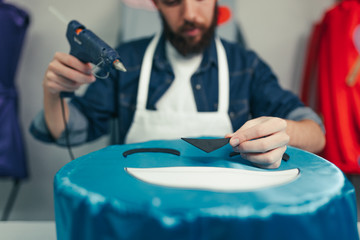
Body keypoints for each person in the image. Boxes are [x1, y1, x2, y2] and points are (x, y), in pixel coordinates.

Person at [30, 0, 325, 169]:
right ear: (157, 4)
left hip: (223, 217)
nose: (190, 14)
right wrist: (52, 94)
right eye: (173, 0)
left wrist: (280, 134)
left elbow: (316, 134)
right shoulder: (126, 59)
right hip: (136, 215)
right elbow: (67, 131)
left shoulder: (244, 65)